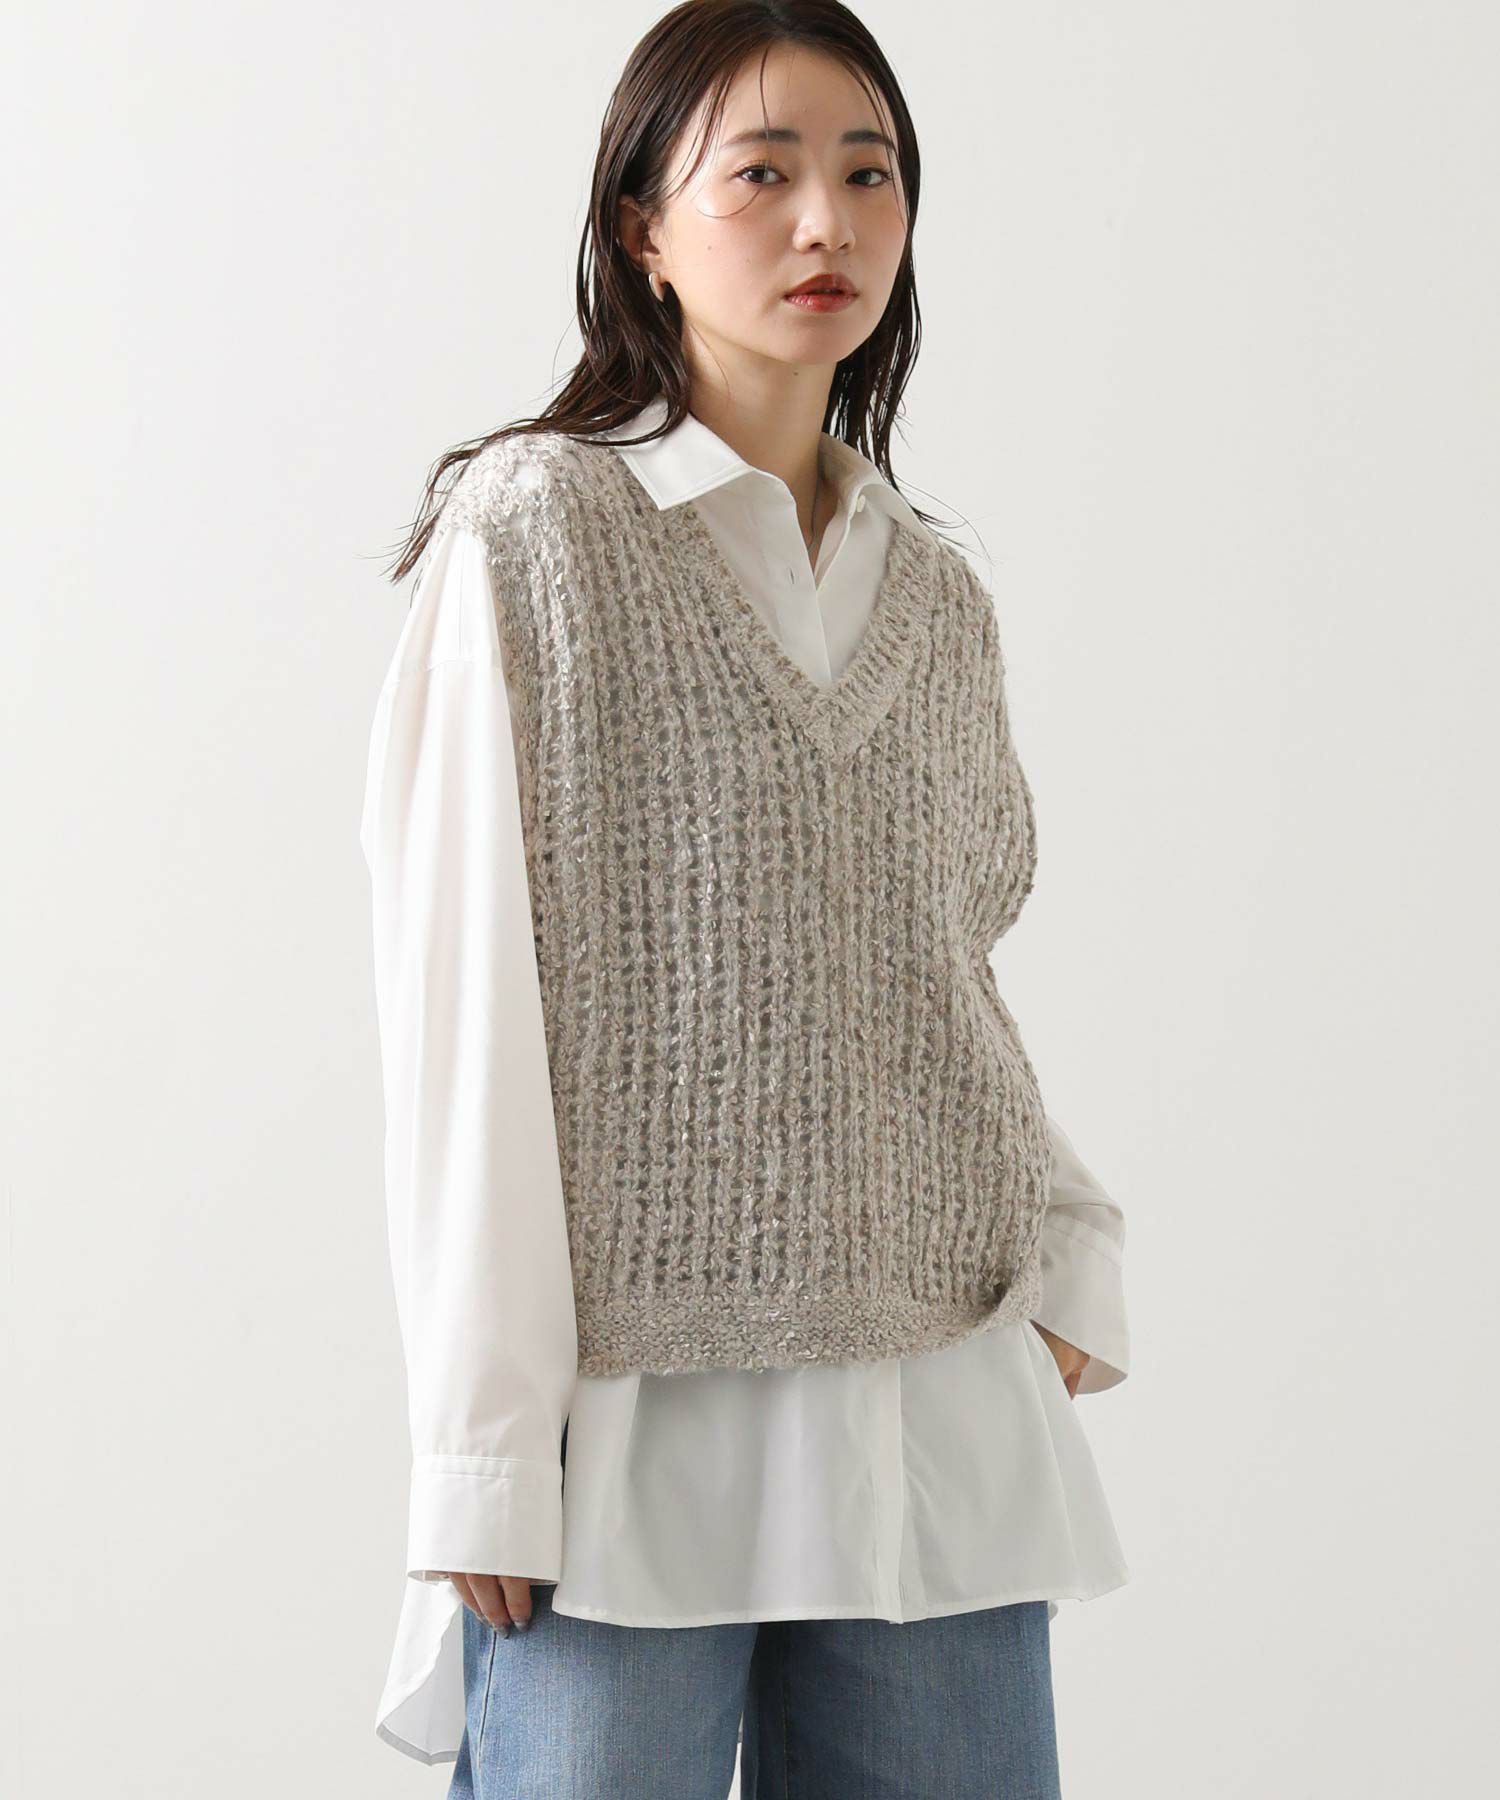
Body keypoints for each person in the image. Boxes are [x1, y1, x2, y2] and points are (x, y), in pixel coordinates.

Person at [361, 4, 1130, 1794]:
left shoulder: (935, 596)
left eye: (870, 174)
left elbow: (934, 976)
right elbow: (466, 1008)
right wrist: (482, 1448)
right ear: (642, 225)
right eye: (762, 174)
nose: (825, 223)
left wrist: (1068, 1243)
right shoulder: (537, 535)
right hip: (637, 1440)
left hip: (938, 1426)